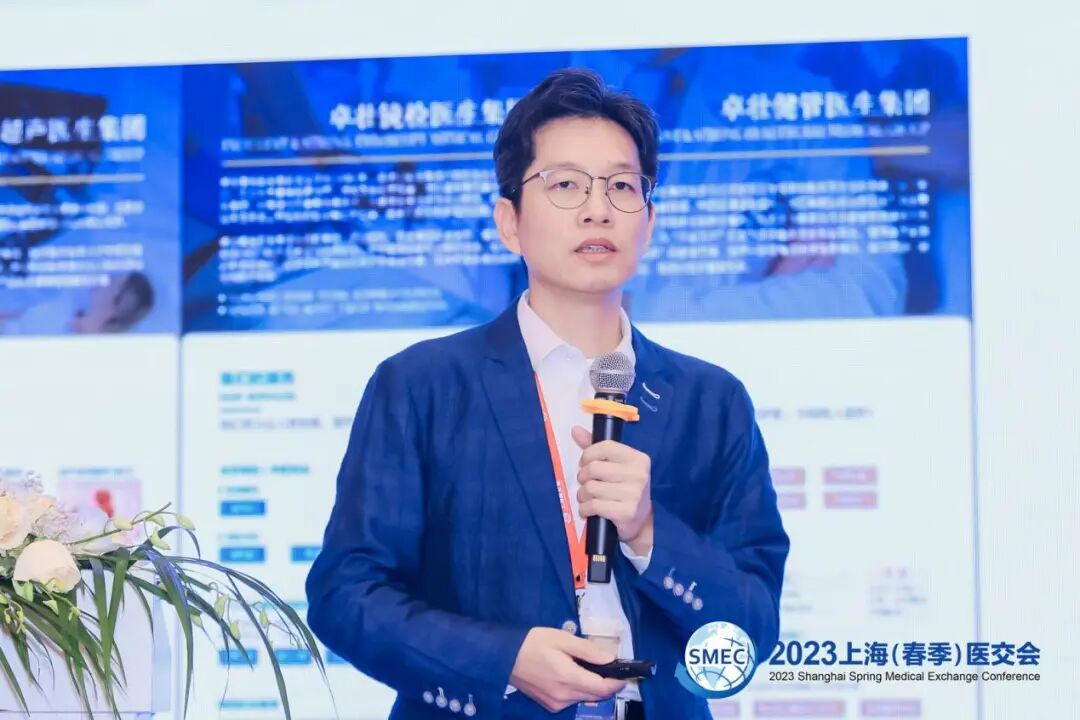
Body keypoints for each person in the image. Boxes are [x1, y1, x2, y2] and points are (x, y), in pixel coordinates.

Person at [306, 68, 790, 720]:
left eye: (622, 187)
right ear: (509, 222)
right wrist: (503, 659)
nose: (598, 209)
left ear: (649, 222)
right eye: (565, 185)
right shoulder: (423, 385)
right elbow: (346, 595)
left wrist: (649, 533)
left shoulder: (712, 402)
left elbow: (751, 631)